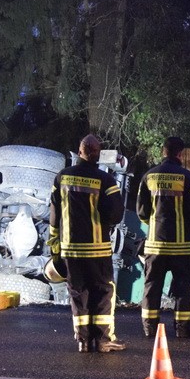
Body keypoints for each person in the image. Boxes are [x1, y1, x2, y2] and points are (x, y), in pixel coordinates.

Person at [49, 134, 127, 353]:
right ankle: (104, 340)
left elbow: (54, 212)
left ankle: (83, 341)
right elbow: (116, 214)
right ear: (98, 154)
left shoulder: (62, 177)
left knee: (78, 292)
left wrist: (54, 242)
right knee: (103, 291)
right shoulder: (105, 180)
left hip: (70, 248)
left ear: (80, 151)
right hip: (97, 248)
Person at [136, 136, 190, 339]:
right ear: (180, 154)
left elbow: (141, 212)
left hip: (155, 245)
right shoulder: (188, 177)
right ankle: (183, 329)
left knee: (152, 286)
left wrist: (155, 226)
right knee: (183, 287)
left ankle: (150, 328)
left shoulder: (149, 176)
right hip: (182, 246)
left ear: (163, 152)